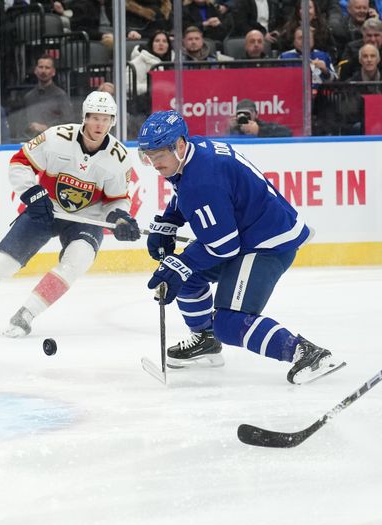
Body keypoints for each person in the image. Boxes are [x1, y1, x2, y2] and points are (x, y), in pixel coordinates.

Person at [137, 110, 344, 384]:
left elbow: (223, 246)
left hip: (267, 244)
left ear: (179, 145)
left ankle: (306, 353)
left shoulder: (202, 180)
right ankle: (205, 340)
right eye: (148, 156)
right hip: (250, 233)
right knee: (187, 277)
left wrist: (182, 263)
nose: (153, 163)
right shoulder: (193, 152)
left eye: (158, 156)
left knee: (229, 322)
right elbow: (184, 192)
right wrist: (169, 221)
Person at [0, 91, 140, 337]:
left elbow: (117, 199)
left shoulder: (119, 158)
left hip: (86, 217)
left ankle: (26, 314)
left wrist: (119, 218)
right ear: (85, 117)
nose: (100, 124)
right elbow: (20, 162)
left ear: (113, 121)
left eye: (106, 119)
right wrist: (32, 192)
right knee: (2, 263)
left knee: (78, 259)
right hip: (46, 209)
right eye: (95, 118)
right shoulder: (57, 137)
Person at [21, 54, 74, 138]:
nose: (43, 71)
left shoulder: (60, 95)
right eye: (41, 67)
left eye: (47, 68)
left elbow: (69, 123)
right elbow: (21, 124)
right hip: (31, 144)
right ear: (35, 70)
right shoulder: (29, 97)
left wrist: (45, 128)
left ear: (53, 72)